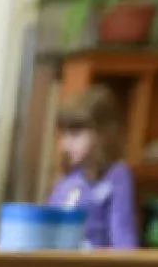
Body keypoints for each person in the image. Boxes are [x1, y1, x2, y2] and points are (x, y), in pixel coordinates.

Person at [43, 92, 141, 251]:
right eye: (64, 136)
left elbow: (123, 240)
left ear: (102, 134)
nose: (65, 145)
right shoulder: (65, 181)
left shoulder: (117, 175)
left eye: (75, 135)